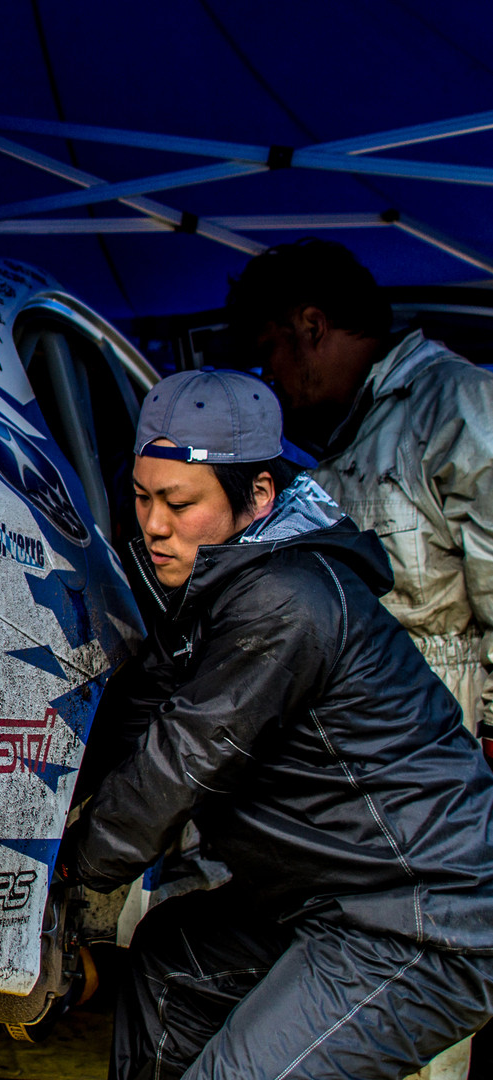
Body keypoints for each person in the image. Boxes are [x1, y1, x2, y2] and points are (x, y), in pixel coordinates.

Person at [58, 369, 493, 1080]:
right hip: (324, 899)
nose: (154, 525)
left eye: (179, 503)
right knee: (173, 961)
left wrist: (67, 868)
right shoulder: (214, 592)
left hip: (418, 921)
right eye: (141, 497)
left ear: (259, 494)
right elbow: (137, 714)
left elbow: (180, 760)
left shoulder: (286, 598)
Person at [226, 238, 493, 754]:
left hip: (452, 745)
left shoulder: (454, 404)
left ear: (312, 326)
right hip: (378, 749)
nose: (269, 375)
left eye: (269, 350)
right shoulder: (337, 437)